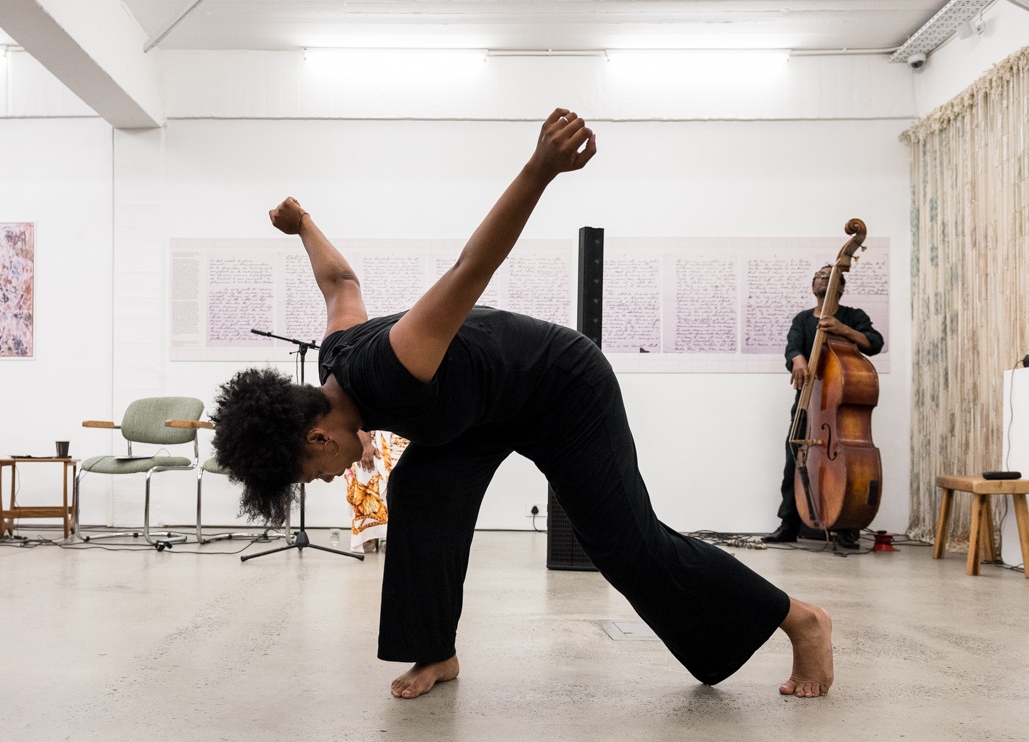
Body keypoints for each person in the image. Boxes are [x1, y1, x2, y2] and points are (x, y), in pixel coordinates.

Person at [211, 109, 834, 699]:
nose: (327, 477)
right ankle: (435, 652)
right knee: (420, 491)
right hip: (477, 410)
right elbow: (340, 283)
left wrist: (540, 168)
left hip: (559, 386)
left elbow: (470, 268)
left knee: (623, 542)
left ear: (318, 437)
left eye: (312, 472)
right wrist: (304, 226)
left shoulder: (392, 369)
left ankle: (798, 619)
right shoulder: (334, 361)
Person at [763, 265, 884, 548]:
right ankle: (789, 524)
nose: (823, 278)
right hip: (809, 401)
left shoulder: (854, 317)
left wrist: (844, 330)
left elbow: (874, 343)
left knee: (847, 465)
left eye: (830, 277)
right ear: (812, 286)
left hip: (837, 407)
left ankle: (846, 526)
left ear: (840, 288)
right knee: (794, 461)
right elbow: (792, 346)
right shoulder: (803, 320)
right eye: (819, 275)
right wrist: (797, 359)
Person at [344, 429, 407, 553]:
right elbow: (361, 416)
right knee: (364, 466)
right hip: (374, 436)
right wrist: (365, 444)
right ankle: (369, 534)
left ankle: (396, 534)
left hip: (405, 437)